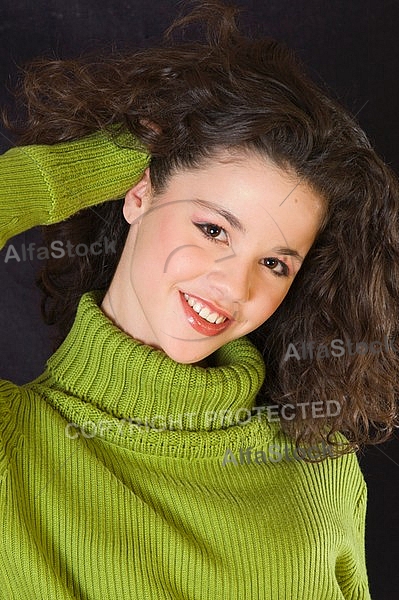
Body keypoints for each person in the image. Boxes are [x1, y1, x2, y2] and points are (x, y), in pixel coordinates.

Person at [1, 1, 398, 598]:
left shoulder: (320, 461)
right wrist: (106, 159)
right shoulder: (13, 444)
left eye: (274, 262)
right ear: (137, 195)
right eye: (213, 230)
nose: (235, 289)